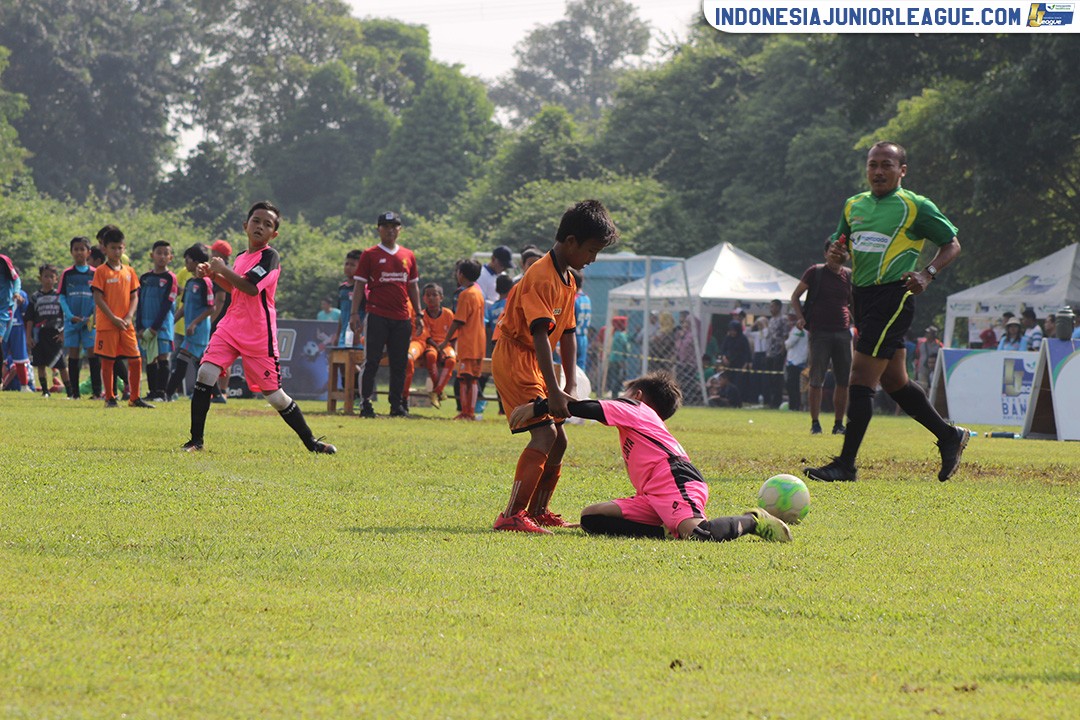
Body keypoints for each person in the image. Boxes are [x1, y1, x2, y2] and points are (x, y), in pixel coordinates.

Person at [805, 141, 967, 483]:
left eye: (886, 165)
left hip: (894, 295)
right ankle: (949, 435)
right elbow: (839, 244)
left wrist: (927, 274)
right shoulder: (854, 205)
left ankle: (845, 465)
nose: (878, 171)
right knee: (894, 381)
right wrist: (836, 254)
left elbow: (952, 244)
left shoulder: (915, 206)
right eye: (873, 164)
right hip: (861, 298)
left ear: (902, 171)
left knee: (860, 377)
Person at [509, 371, 791, 542]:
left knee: (699, 534)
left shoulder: (635, 407)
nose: (619, 399)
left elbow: (590, 408)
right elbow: (589, 406)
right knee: (592, 518)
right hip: (653, 494)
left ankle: (754, 520)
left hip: (675, 479)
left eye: (625, 394)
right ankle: (668, 530)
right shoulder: (643, 417)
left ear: (638, 395)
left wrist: (540, 407)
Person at [492, 199, 618, 533]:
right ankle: (511, 515)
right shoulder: (541, 277)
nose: (592, 259)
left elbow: (568, 335)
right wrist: (552, 390)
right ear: (571, 241)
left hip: (537, 360)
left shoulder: (569, 280)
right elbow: (539, 336)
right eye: (591, 250)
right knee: (545, 433)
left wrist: (570, 385)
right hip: (517, 357)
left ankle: (538, 511)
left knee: (559, 440)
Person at [183, 201, 336, 454]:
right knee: (206, 373)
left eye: (267, 224)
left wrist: (222, 269)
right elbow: (236, 288)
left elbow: (251, 288)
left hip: (258, 334)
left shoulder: (270, 257)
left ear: (273, 234)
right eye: (256, 221)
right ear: (246, 225)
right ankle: (195, 441)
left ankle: (312, 443)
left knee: (275, 396)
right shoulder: (241, 257)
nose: (260, 226)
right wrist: (213, 275)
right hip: (231, 326)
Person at [350, 211, 424, 418]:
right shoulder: (370, 254)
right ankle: (365, 403)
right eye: (386, 227)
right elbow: (359, 285)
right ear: (379, 229)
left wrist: (418, 313)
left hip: (402, 317)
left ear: (399, 229)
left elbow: (413, 286)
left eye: (394, 227)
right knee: (371, 361)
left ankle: (396, 405)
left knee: (399, 363)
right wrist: (354, 313)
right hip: (377, 315)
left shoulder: (408, 255)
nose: (390, 231)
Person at [791, 238, 853, 434]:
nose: (836, 254)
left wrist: (859, 324)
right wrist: (800, 318)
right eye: (833, 250)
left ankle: (838, 424)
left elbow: (852, 302)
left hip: (843, 331)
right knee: (816, 379)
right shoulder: (815, 272)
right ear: (826, 254)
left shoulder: (848, 275)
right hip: (820, 332)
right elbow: (795, 296)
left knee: (843, 381)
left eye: (842, 251)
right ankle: (815, 423)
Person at [91, 227, 152, 408]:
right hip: (107, 325)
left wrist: (129, 316)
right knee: (108, 361)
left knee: (136, 359)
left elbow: (134, 296)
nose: (116, 252)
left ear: (124, 247)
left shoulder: (129, 271)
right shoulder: (101, 271)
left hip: (126, 324)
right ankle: (110, 398)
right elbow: (98, 298)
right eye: (113, 248)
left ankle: (135, 398)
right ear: (105, 249)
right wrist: (113, 318)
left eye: (119, 248)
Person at [166, 244, 215, 399]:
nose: (185, 264)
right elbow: (184, 307)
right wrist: (170, 322)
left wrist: (194, 323)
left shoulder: (206, 282)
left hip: (199, 330)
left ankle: (167, 394)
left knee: (182, 360)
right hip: (190, 330)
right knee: (200, 364)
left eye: (187, 260)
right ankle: (216, 394)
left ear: (196, 262)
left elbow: (211, 308)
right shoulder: (189, 282)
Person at [439, 259, 486, 420]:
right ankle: (468, 412)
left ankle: (467, 413)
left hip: (468, 342)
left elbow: (459, 320)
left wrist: (445, 341)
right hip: (479, 341)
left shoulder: (465, 294)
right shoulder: (478, 293)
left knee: (466, 378)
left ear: (461, 274)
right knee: (471, 378)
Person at [58, 236, 100, 399]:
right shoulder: (67, 273)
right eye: (76, 249)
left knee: (93, 354)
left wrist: (92, 316)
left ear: (88, 252)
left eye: (82, 249)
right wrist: (70, 316)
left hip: (90, 322)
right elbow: (62, 297)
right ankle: (74, 393)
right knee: (73, 354)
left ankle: (97, 392)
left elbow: (99, 297)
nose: (79, 252)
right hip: (72, 322)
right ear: (71, 252)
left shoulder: (95, 273)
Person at [137, 241, 178, 401]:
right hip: (146, 325)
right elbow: (139, 303)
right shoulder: (145, 278)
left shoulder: (170, 278)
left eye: (165, 253)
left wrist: (155, 327)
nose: (162, 256)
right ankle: (152, 392)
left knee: (163, 357)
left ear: (170, 258)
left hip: (162, 326)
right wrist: (139, 326)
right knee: (150, 357)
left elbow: (167, 304)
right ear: (152, 255)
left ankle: (162, 393)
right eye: (159, 253)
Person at [405, 282, 456, 409]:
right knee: (431, 356)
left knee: (451, 360)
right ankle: (438, 391)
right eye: (428, 295)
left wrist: (453, 350)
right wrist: (438, 348)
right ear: (423, 298)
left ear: (441, 297)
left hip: (445, 345)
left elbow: (454, 336)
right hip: (430, 345)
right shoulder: (422, 315)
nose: (431, 298)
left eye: (434, 295)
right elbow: (426, 337)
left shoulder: (448, 314)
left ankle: (437, 391)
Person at [25, 264, 70, 397]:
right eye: (45, 276)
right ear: (40, 278)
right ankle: (45, 391)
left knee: (61, 364)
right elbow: (30, 319)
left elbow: (66, 316)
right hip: (39, 334)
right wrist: (28, 337)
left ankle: (70, 391)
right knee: (40, 364)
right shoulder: (35, 297)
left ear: (56, 279)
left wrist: (63, 333)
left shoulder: (60, 296)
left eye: (51, 277)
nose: (48, 279)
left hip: (55, 334)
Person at [208, 239, 234, 403]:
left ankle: (221, 391)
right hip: (229, 319)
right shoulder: (231, 270)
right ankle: (221, 391)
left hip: (220, 320)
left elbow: (220, 299)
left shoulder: (221, 272)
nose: (211, 255)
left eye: (213, 252)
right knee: (224, 357)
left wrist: (211, 320)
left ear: (218, 254)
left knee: (220, 356)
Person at [764, 299, 789, 408]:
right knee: (769, 378)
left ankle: (776, 401)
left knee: (776, 378)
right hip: (770, 352)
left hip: (778, 351)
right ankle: (770, 400)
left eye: (773, 307)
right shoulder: (771, 320)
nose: (771, 309)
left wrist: (783, 350)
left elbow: (785, 335)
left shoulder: (783, 319)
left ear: (778, 307)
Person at [338, 249, 363, 346]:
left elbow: (367, 314)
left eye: (352, 265)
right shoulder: (342, 288)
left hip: (359, 338)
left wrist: (358, 334)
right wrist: (337, 335)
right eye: (346, 264)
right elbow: (341, 314)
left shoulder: (363, 289)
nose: (348, 267)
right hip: (344, 337)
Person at [784, 311, 807, 411]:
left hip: (794, 361)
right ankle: (796, 406)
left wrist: (785, 342)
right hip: (800, 361)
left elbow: (789, 344)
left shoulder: (798, 329)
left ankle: (794, 406)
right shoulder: (804, 330)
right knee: (797, 386)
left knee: (792, 386)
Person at [606, 315, 633, 398]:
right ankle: (615, 393)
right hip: (619, 360)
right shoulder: (621, 335)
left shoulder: (616, 334)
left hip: (614, 359)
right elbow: (625, 347)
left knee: (615, 376)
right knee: (619, 377)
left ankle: (614, 393)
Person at [571, 269, 591, 372]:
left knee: (566, 368)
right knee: (580, 369)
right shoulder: (586, 298)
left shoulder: (573, 299)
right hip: (583, 337)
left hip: (572, 337)